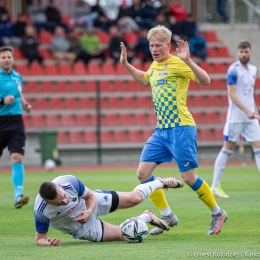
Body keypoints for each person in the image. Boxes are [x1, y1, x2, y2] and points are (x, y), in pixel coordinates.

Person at [120, 25, 227, 236]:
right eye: (151, 45)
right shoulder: (155, 65)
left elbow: (206, 80)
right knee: (143, 174)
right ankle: (167, 215)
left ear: (167, 46)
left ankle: (217, 212)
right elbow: (144, 80)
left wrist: (187, 60)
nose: (153, 49)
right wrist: (125, 64)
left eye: (158, 45)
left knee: (188, 178)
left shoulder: (178, 63)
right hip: (161, 131)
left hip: (181, 128)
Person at [34, 174, 183, 245]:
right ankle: (146, 216)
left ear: (60, 187)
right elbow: (39, 239)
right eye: (60, 203)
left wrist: (89, 211)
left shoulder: (68, 182)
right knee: (128, 236)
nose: (66, 201)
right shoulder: (41, 211)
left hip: (91, 204)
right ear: (47, 202)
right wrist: (49, 243)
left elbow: (90, 196)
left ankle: (158, 182)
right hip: (81, 227)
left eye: (65, 197)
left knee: (135, 199)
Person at [211, 40, 260, 198]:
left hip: (250, 116)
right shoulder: (233, 70)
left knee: (258, 149)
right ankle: (215, 186)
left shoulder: (253, 69)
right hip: (236, 117)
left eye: (246, 52)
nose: (243, 54)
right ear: (238, 52)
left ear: (250, 52)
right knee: (227, 149)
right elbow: (232, 94)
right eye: (241, 52)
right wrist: (246, 111)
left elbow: (249, 93)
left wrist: (255, 111)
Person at [0, 46, 32, 208]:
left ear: (13, 59)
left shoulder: (17, 76)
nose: (6, 59)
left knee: (17, 157)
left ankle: (18, 196)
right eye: (3, 57)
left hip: (16, 122)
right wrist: (2, 101)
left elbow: (19, 93)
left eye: (8, 57)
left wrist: (24, 104)